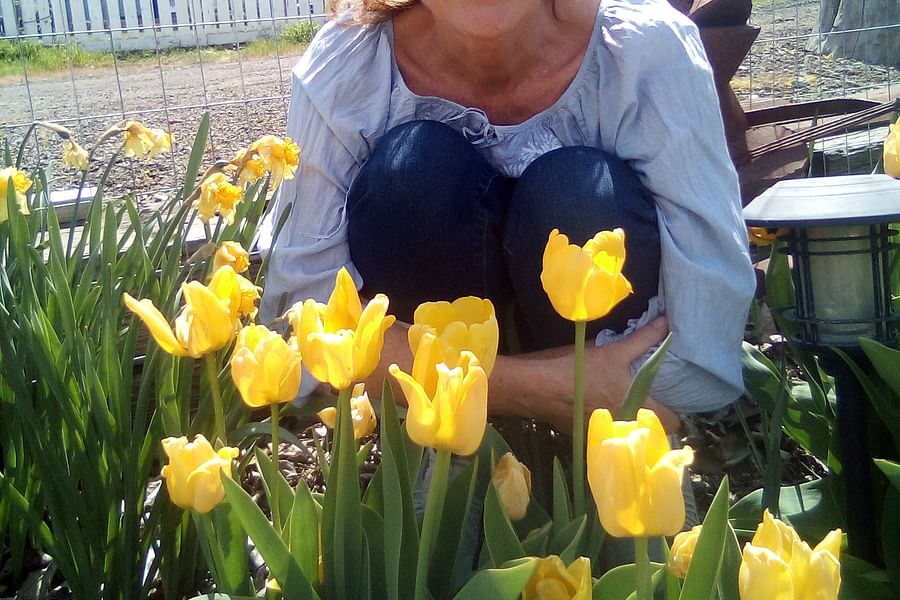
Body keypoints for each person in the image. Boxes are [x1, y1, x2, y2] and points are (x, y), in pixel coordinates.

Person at [256, 0, 756, 433]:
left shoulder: (647, 54)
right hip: (454, 413)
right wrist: (548, 386)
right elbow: (300, 327)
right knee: (413, 173)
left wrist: (419, 369)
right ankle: (442, 467)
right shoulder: (349, 67)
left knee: (578, 193)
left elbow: (705, 348)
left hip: (599, 425)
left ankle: (604, 467)